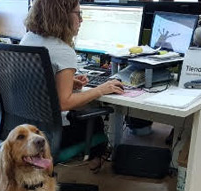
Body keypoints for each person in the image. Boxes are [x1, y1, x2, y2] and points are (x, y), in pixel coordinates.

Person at [20, 0, 124, 170]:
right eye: (78, 14)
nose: (81, 20)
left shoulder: (28, 38)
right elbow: (64, 103)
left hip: (23, 128)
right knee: (95, 120)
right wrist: (100, 90)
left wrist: (63, 81)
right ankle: (95, 162)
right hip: (49, 137)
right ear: (62, 16)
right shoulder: (63, 51)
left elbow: (31, 80)